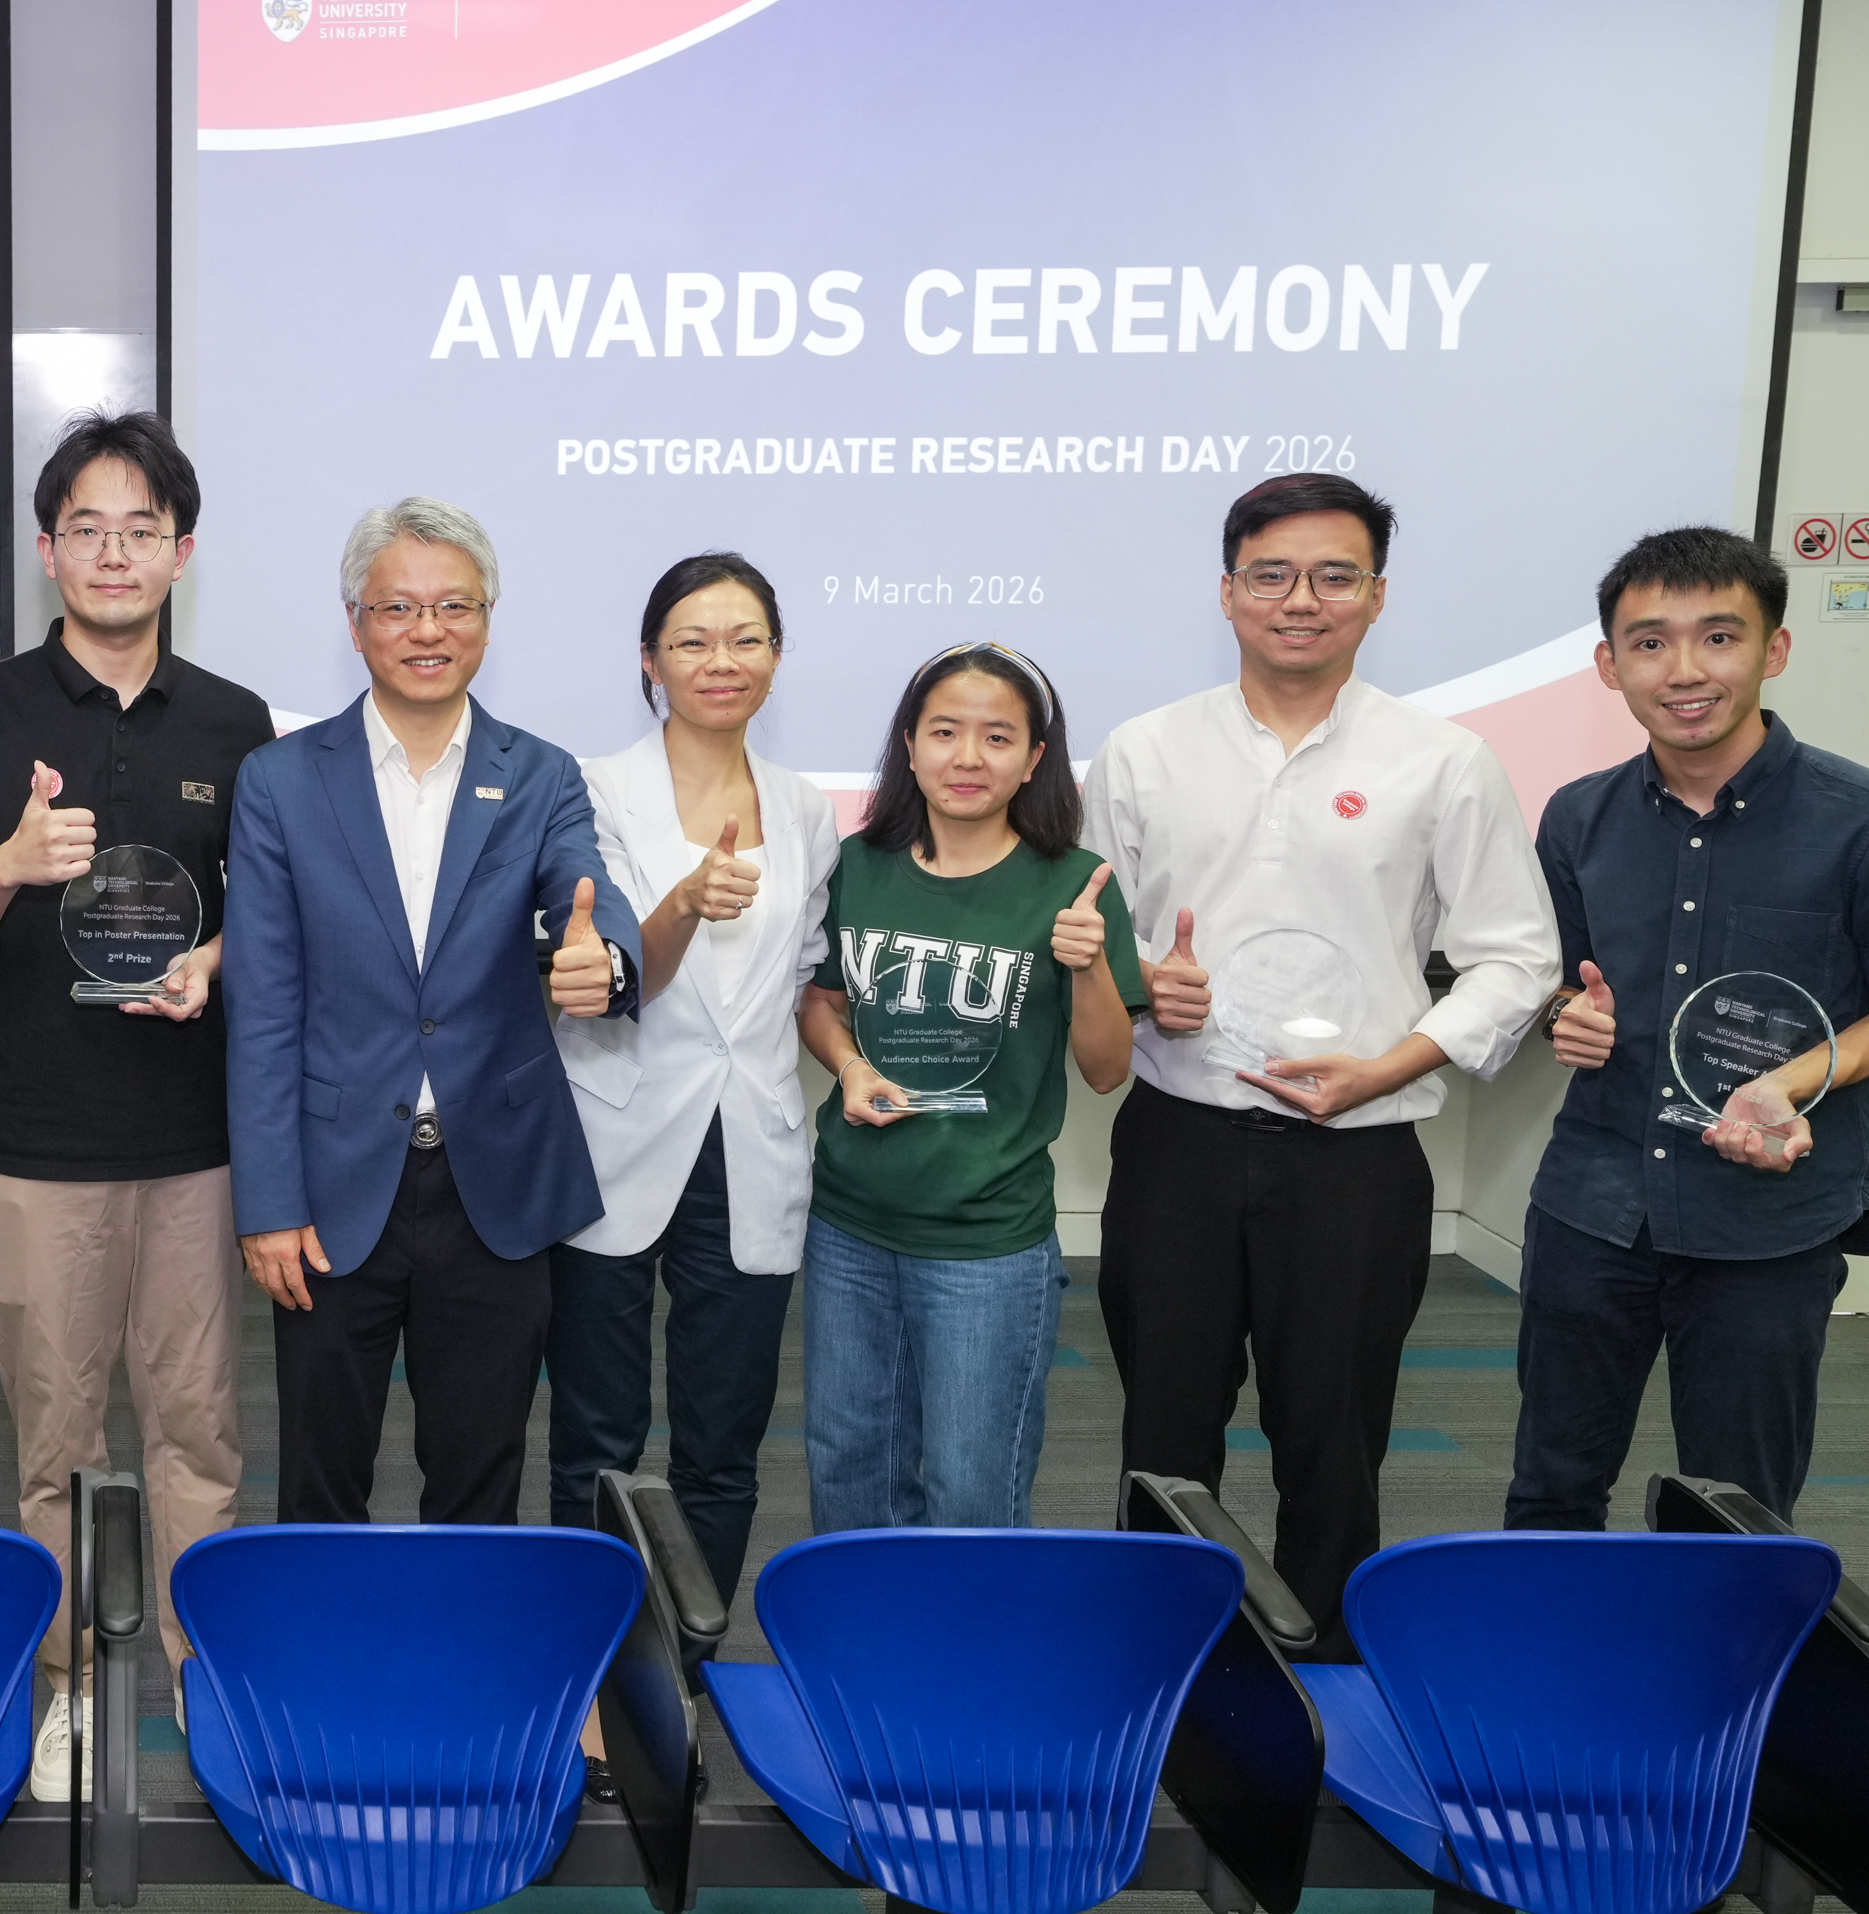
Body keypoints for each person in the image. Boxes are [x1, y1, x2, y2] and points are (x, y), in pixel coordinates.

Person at [1083, 473, 1558, 1650]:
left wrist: (1393, 1064)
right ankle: (1161, 1663)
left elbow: (1514, 955)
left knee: (1334, 1438)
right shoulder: (1142, 751)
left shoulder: (1442, 760)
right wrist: (1148, 982)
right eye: (1272, 575)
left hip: (1356, 1153)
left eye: (1334, 576)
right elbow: (1082, 933)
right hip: (1178, 1139)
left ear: (1376, 596)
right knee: (1164, 1435)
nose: (1302, 600)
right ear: (1229, 591)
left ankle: (1331, 1679)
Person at [0, 413, 271, 1801]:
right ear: (48, 547)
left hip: (195, 1137)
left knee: (197, 1429)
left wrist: (211, 960)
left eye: (142, 527)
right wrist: (8, 858)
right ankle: (68, 1680)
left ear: (182, 550)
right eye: (86, 525)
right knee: (56, 1438)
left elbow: (266, 916)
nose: (113, 550)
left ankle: (190, 1663)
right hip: (35, 1141)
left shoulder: (234, 719)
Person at [1507, 526, 1869, 1527]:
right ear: (1606, 664)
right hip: (1594, 1202)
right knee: (1551, 1482)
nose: (1683, 671)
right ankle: (1541, 1674)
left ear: (1775, 650)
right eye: (1648, 643)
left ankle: (1723, 1684)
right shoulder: (1576, 817)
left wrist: (1791, 1080)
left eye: (1718, 638)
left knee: (1733, 1504)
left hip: (1769, 1221)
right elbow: (1561, 982)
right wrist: (1565, 1017)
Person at [226, 496, 634, 1528]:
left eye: (453, 605)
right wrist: (268, 1200)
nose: (427, 631)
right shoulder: (278, 780)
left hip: (489, 1181)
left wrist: (606, 957)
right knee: (321, 1475)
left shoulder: (540, 774)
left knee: (478, 1473)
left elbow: (584, 895)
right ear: (355, 621)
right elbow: (264, 1004)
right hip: (329, 1186)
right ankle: (319, 1683)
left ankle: (472, 1685)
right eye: (397, 608)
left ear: (487, 621)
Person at [796, 643, 1139, 1528]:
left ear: (1034, 759)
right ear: (909, 745)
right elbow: (822, 1002)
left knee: (970, 1485)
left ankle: (971, 1664)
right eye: (945, 731)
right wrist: (848, 1064)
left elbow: (1107, 1069)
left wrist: (1092, 966)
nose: (967, 756)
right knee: (847, 1467)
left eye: (997, 736)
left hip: (988, 1242)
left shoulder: (1074, 884)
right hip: (849, 1226)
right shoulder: (857, 864)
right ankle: (856, 1652)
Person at [550, 553, 837, 1603]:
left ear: (774, 656)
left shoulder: (806, 809)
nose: (721, 661)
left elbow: (805, 978)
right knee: (598, 1433)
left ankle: (692, 1658)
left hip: (751, 1139)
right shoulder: (584, 788)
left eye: (745, 639)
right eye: (692, 642)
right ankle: (595, 1665)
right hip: (615, 1130)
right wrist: (678, 901)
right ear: (649, 662)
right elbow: (616, 974)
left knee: (722, 1440)